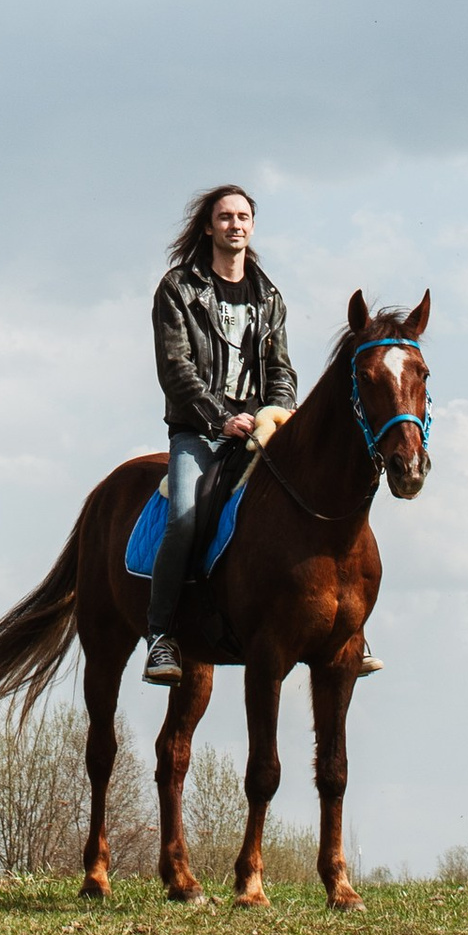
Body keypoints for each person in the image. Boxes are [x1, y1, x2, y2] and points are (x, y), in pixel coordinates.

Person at [142, 183, 298, 686]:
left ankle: (343, 627)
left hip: (258, 430)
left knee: (307, 499)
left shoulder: (269, 296)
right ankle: (161, 634)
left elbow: (282, 369)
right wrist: (217, 418)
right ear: (209, 227)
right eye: (226, 217)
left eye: (244, 217)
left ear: (252, 227)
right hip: (200, 433)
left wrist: (277, 410)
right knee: (184, 519)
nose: (236, 224)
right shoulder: (179, 289)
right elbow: (176, 370)